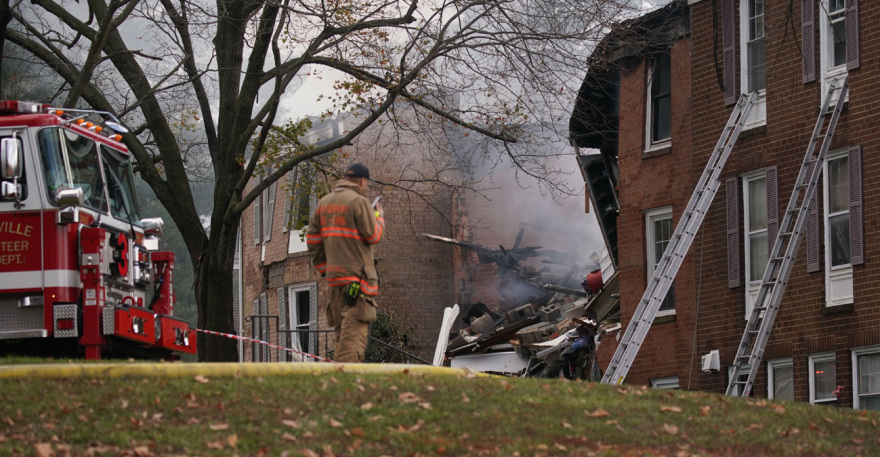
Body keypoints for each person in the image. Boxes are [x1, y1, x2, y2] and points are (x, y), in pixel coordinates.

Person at [307, 163, 385, 362]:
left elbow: (313, 242)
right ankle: (343, 384)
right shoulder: (358, 202)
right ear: (362, 181)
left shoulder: (324, 204)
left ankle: (342, 380)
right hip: (357, 283)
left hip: (336, 282)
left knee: (341, 334)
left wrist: (326, 271)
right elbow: (373, 235)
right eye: (366, 184)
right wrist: (379, 218)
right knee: (354, 338)